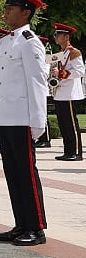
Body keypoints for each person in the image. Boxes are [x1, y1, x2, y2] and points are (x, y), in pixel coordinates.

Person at [0, 0, 48, 246]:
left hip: (22, 117)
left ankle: (36, 227)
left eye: (11, 8)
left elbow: (37, 84)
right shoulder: (8, 41)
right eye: (6, 7)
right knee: (12, 172)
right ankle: (21, 223)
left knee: (26, 173)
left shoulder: (31, 42)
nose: (6, 12)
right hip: (6, 116)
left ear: (26, 12)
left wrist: (38, 121)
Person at [51, 23, 84, 161]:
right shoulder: (61, 53)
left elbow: (80, 71)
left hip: (69, 92)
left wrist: (61, 73)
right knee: (64, 124)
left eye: (59, 35)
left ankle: (76, 152)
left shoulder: (74, 52)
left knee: (71, 123)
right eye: (56, 34)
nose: (56, 37)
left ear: (66, 36)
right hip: (60, 92)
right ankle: (68, 151)